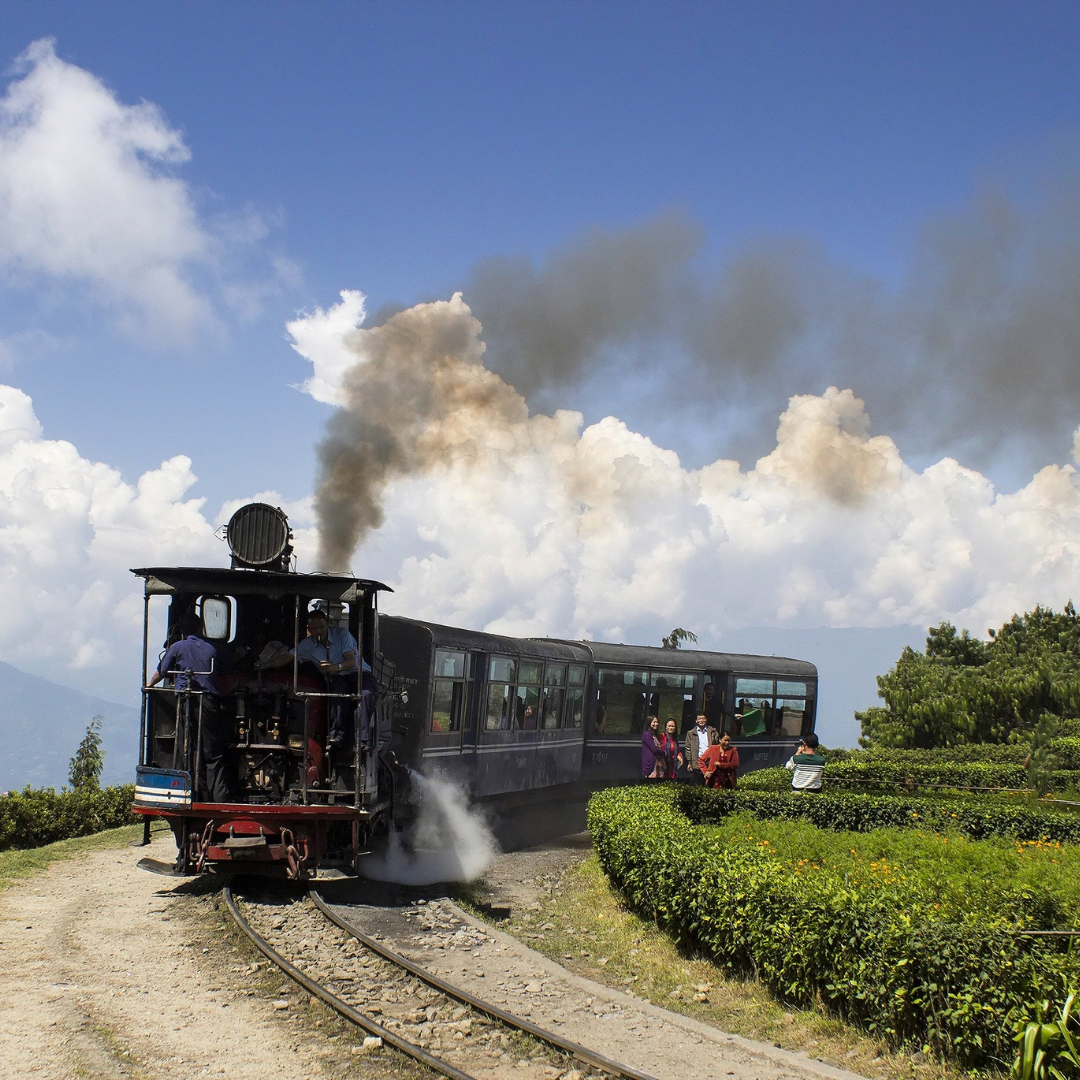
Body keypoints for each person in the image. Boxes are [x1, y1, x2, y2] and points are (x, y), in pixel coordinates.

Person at [148, 612, 230, 803]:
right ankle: (219, 797)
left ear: (182, 631)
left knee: (189, 748)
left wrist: (149, 685)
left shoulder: (178, 647)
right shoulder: (212, 648)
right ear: (201, 627)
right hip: (209, 702)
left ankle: (193, 794)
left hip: (186, 701)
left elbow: (161, 671)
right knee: (212, 751)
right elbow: (229, 662)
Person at [259, 608, 361, 749]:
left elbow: (351, 661)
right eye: (315, 628)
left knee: (358, 693)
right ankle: (335, 735)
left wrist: (335, 667)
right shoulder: (306, 645)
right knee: (337, 686)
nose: (319, 631)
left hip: (354, 674)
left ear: (327, 624)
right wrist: (265, 665)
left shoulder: (342, 634)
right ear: (309, 629)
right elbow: (287, 657)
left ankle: (352, 739)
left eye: (321, 627)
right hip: (336, 679)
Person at [684, 713, 719, 781]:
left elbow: (717, 745)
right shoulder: (691, 733)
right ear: (696, 721)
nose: (701, 720)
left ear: (706, 720)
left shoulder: (713, 731)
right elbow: (688, 748)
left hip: (710, 761)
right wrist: (689, 762)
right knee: (697, 783)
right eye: (699, 719)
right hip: (698, 761)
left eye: (703, 718)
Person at [641, 715, 665, 780]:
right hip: (651, 764)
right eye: (654, 722)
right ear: (649, 723)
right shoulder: (647, 735)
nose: (656, 724)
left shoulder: (655, 735)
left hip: (658, 762)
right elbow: (654, 749)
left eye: (657, 722)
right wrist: (664, 752)